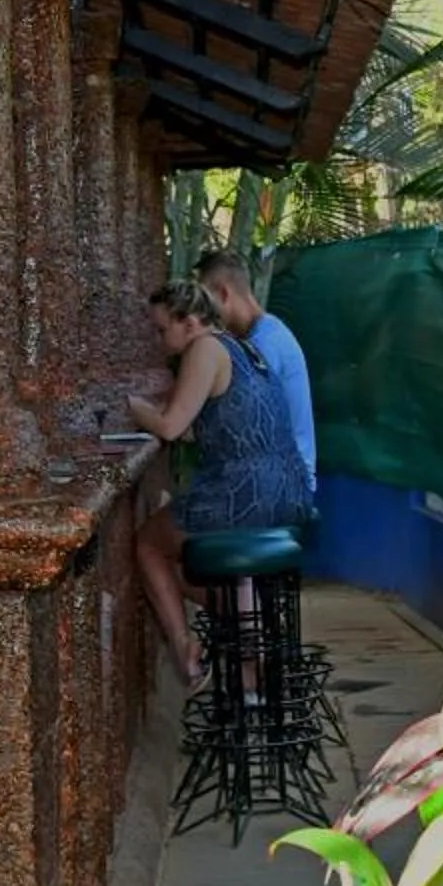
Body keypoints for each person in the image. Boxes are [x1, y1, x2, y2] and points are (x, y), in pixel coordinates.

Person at [125, 279, 313, 690]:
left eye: (162, 329)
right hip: (290, 491)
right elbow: (211, 425)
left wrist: (134, 409)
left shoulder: (204, 349)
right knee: (194, 554)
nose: (160, 340)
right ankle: (254, 632)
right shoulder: (245, 348)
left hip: (245, 494)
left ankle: (185, 649)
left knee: (150, 544)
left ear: (190, 321)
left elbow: (173, 427)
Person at [194, 251, 315, 501]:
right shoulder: (265, 334)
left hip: (278, 488)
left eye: (206, 303)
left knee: (155, 534)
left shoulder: (263, 346)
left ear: (224, 294)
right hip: (274, 480)